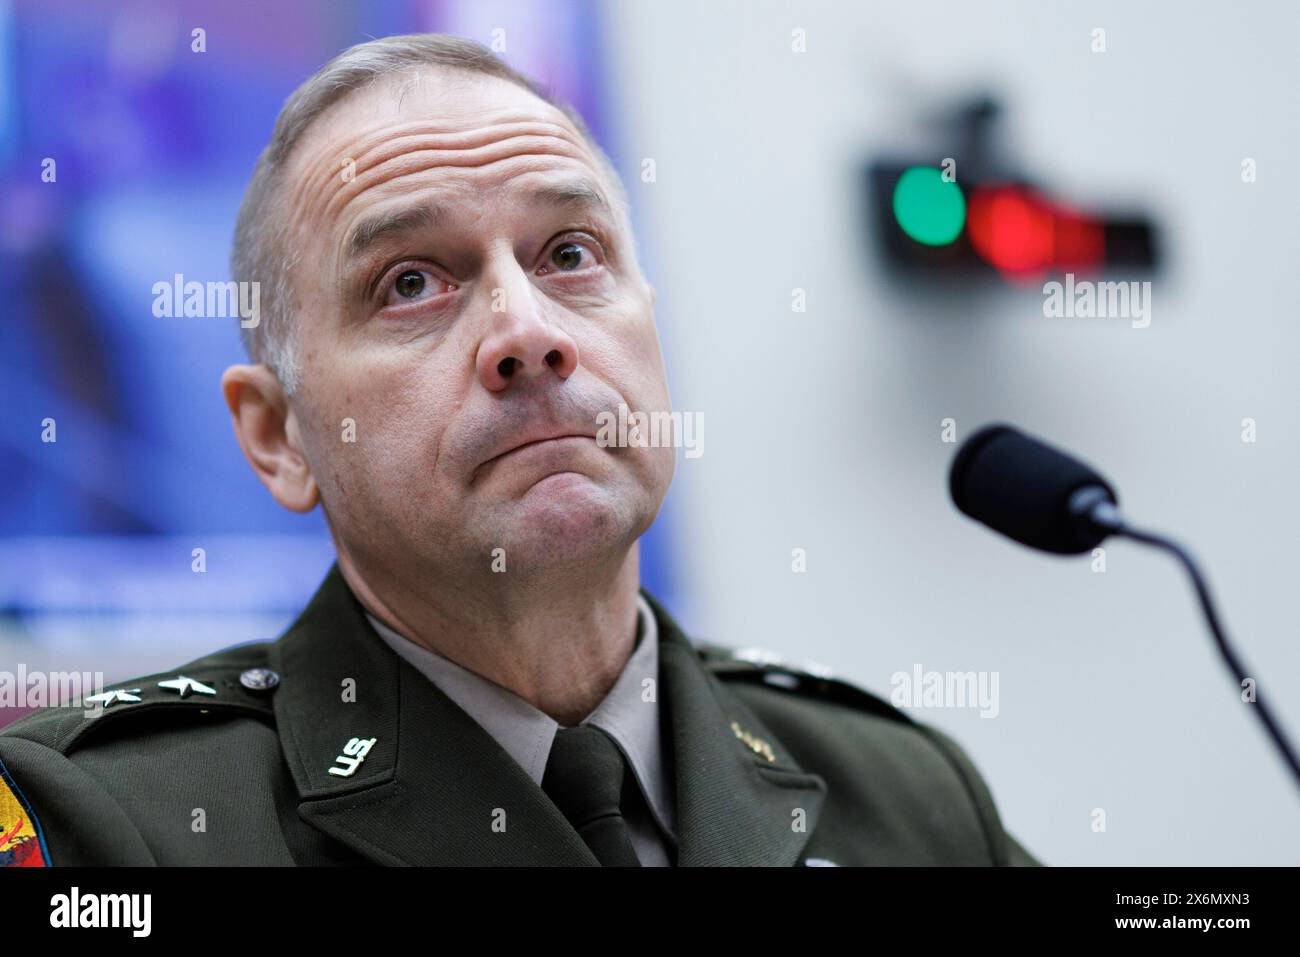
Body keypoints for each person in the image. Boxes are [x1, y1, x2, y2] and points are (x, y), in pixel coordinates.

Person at [0, 33, 1039, 867]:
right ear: (279, 439)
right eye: (410, 282)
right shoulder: (104, 824)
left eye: (571, 255)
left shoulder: (906, 796)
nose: (527, 331)